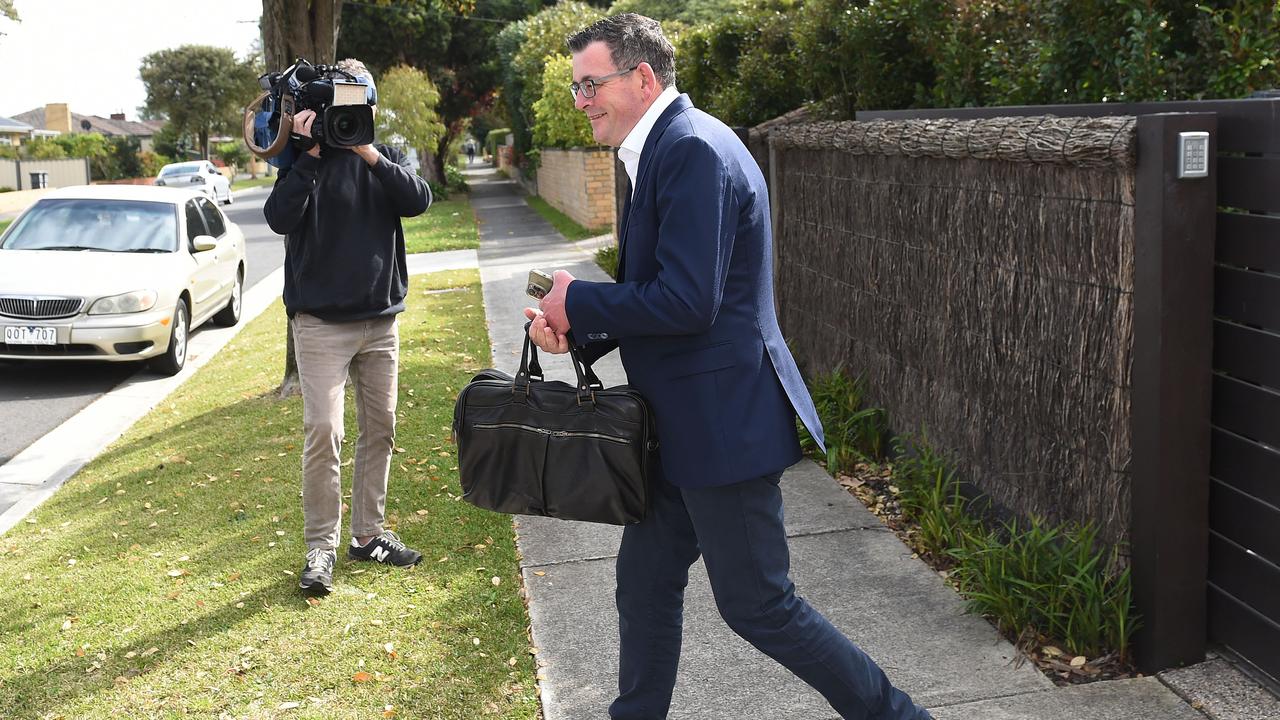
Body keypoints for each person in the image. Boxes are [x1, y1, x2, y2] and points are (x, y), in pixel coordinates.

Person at [525, 14, 934, 720]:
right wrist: (577, 330)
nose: (582, 100)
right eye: (575, 89)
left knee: (759, 607)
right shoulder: (660, 150)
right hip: (680, 431)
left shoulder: (688, 150)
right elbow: (659, 293)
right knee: (645, 586)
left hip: (721, 430)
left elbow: (688, 301)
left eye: (591, 85)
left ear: (642, 77)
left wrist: (580, 299)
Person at [264, 58, 432, 596]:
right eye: (342, 106)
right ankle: (320, 548)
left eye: (358, 104)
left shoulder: (381, 153)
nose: (350, 114)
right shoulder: (303, 159)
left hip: (380, 321)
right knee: (324, 434)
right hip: (320, 325)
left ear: (370, 103)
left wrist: (366, 150)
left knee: (380, 429)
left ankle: (369, 534)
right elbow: (279, 218)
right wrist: (310, 153)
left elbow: (418, 199)